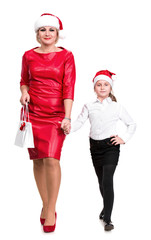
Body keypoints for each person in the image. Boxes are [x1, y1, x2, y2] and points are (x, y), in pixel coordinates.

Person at [20, 13, 76, 233]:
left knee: (52, 159)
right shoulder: (27, 55)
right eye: (43, 30)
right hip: (32, 113)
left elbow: (68, 87)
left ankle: (51, 208)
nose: (47, 34)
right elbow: (24, 81)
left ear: (57, 34)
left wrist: (67, 117)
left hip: (55, 114)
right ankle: (45, 205)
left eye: (51, 30)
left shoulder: (67, 56)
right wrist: (23, 92)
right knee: (38, 161)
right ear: (37, 34)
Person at [68, 70, 136, 231]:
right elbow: (78, 123)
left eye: (106, 84)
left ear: (111, 88)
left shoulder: (117, 106)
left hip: (110, 147)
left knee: (107, 180)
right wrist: (67, 127)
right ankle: (106, 208)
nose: (102, 87)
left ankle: (108, 219)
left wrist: (123, 138)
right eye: (99, 85)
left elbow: (132, 124)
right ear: (94, 88)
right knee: (101, 181)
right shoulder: (89, 106)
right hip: (95, 147)